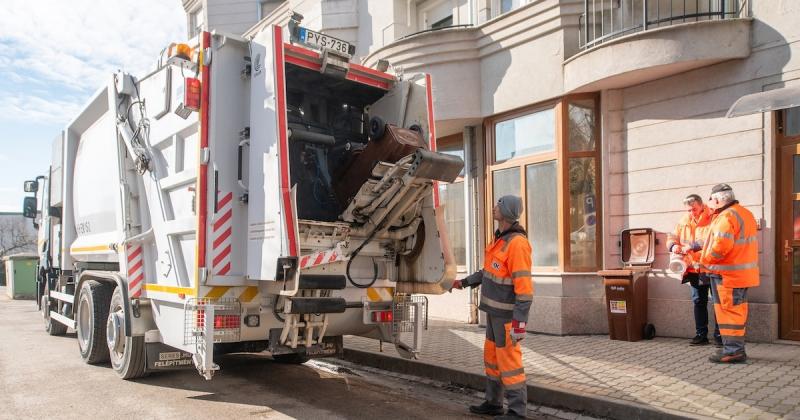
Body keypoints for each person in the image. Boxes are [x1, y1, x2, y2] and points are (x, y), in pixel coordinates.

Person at [451, 195, 533, 419]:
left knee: (510, 363)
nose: (494, 207)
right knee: (493, 359)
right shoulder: (500, 239)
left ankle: (517, 411)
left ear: (506, 212)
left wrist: (519, 323)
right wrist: (463, 282)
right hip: (494, 314)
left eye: (499, 204)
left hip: (507, 317)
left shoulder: (517, 244)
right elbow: (486, 273)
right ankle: (493, 403)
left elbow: (524, 289)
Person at [695, 184, 759, 363]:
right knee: (736, 312)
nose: (709, 203)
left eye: (710, 200)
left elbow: (720, 246)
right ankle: (735, 349)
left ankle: (733, 351)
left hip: (727, 276)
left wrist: (705, 262)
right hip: (740, 275)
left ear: (716, 199)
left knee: (729, 313)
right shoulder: (744, 213)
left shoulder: (726, 216)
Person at [666, 194, 722, 347]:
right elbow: (672, 237)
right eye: (689, 210)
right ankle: (701, 335)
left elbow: (714, 239)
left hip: (710, 268)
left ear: (702, 205)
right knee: (698, 301)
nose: (692, 213)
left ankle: (720, 337)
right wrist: (673, 246)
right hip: (692, 269)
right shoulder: (684, 220)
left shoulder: (712, 217)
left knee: (718, 302)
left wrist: (693, 245)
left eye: (694, 209)